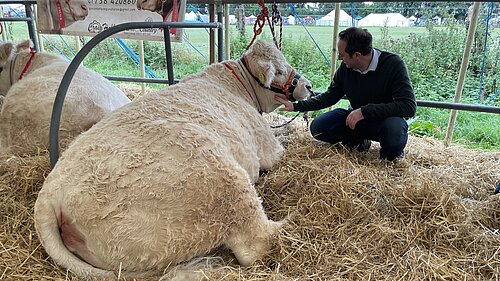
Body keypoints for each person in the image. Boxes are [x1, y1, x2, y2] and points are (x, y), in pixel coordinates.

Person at [275, 27, 416, 161]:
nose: (339, 58)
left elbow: (408, 107)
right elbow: (330, 96)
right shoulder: (347, 67)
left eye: (342, 55)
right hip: (355, 120)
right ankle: (359, 142)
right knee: (318, 127)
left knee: (394, 133)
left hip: (384, 121)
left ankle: (390, 157)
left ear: (357, 55)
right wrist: (296, 106)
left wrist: (365, 111)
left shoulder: (393, 64)